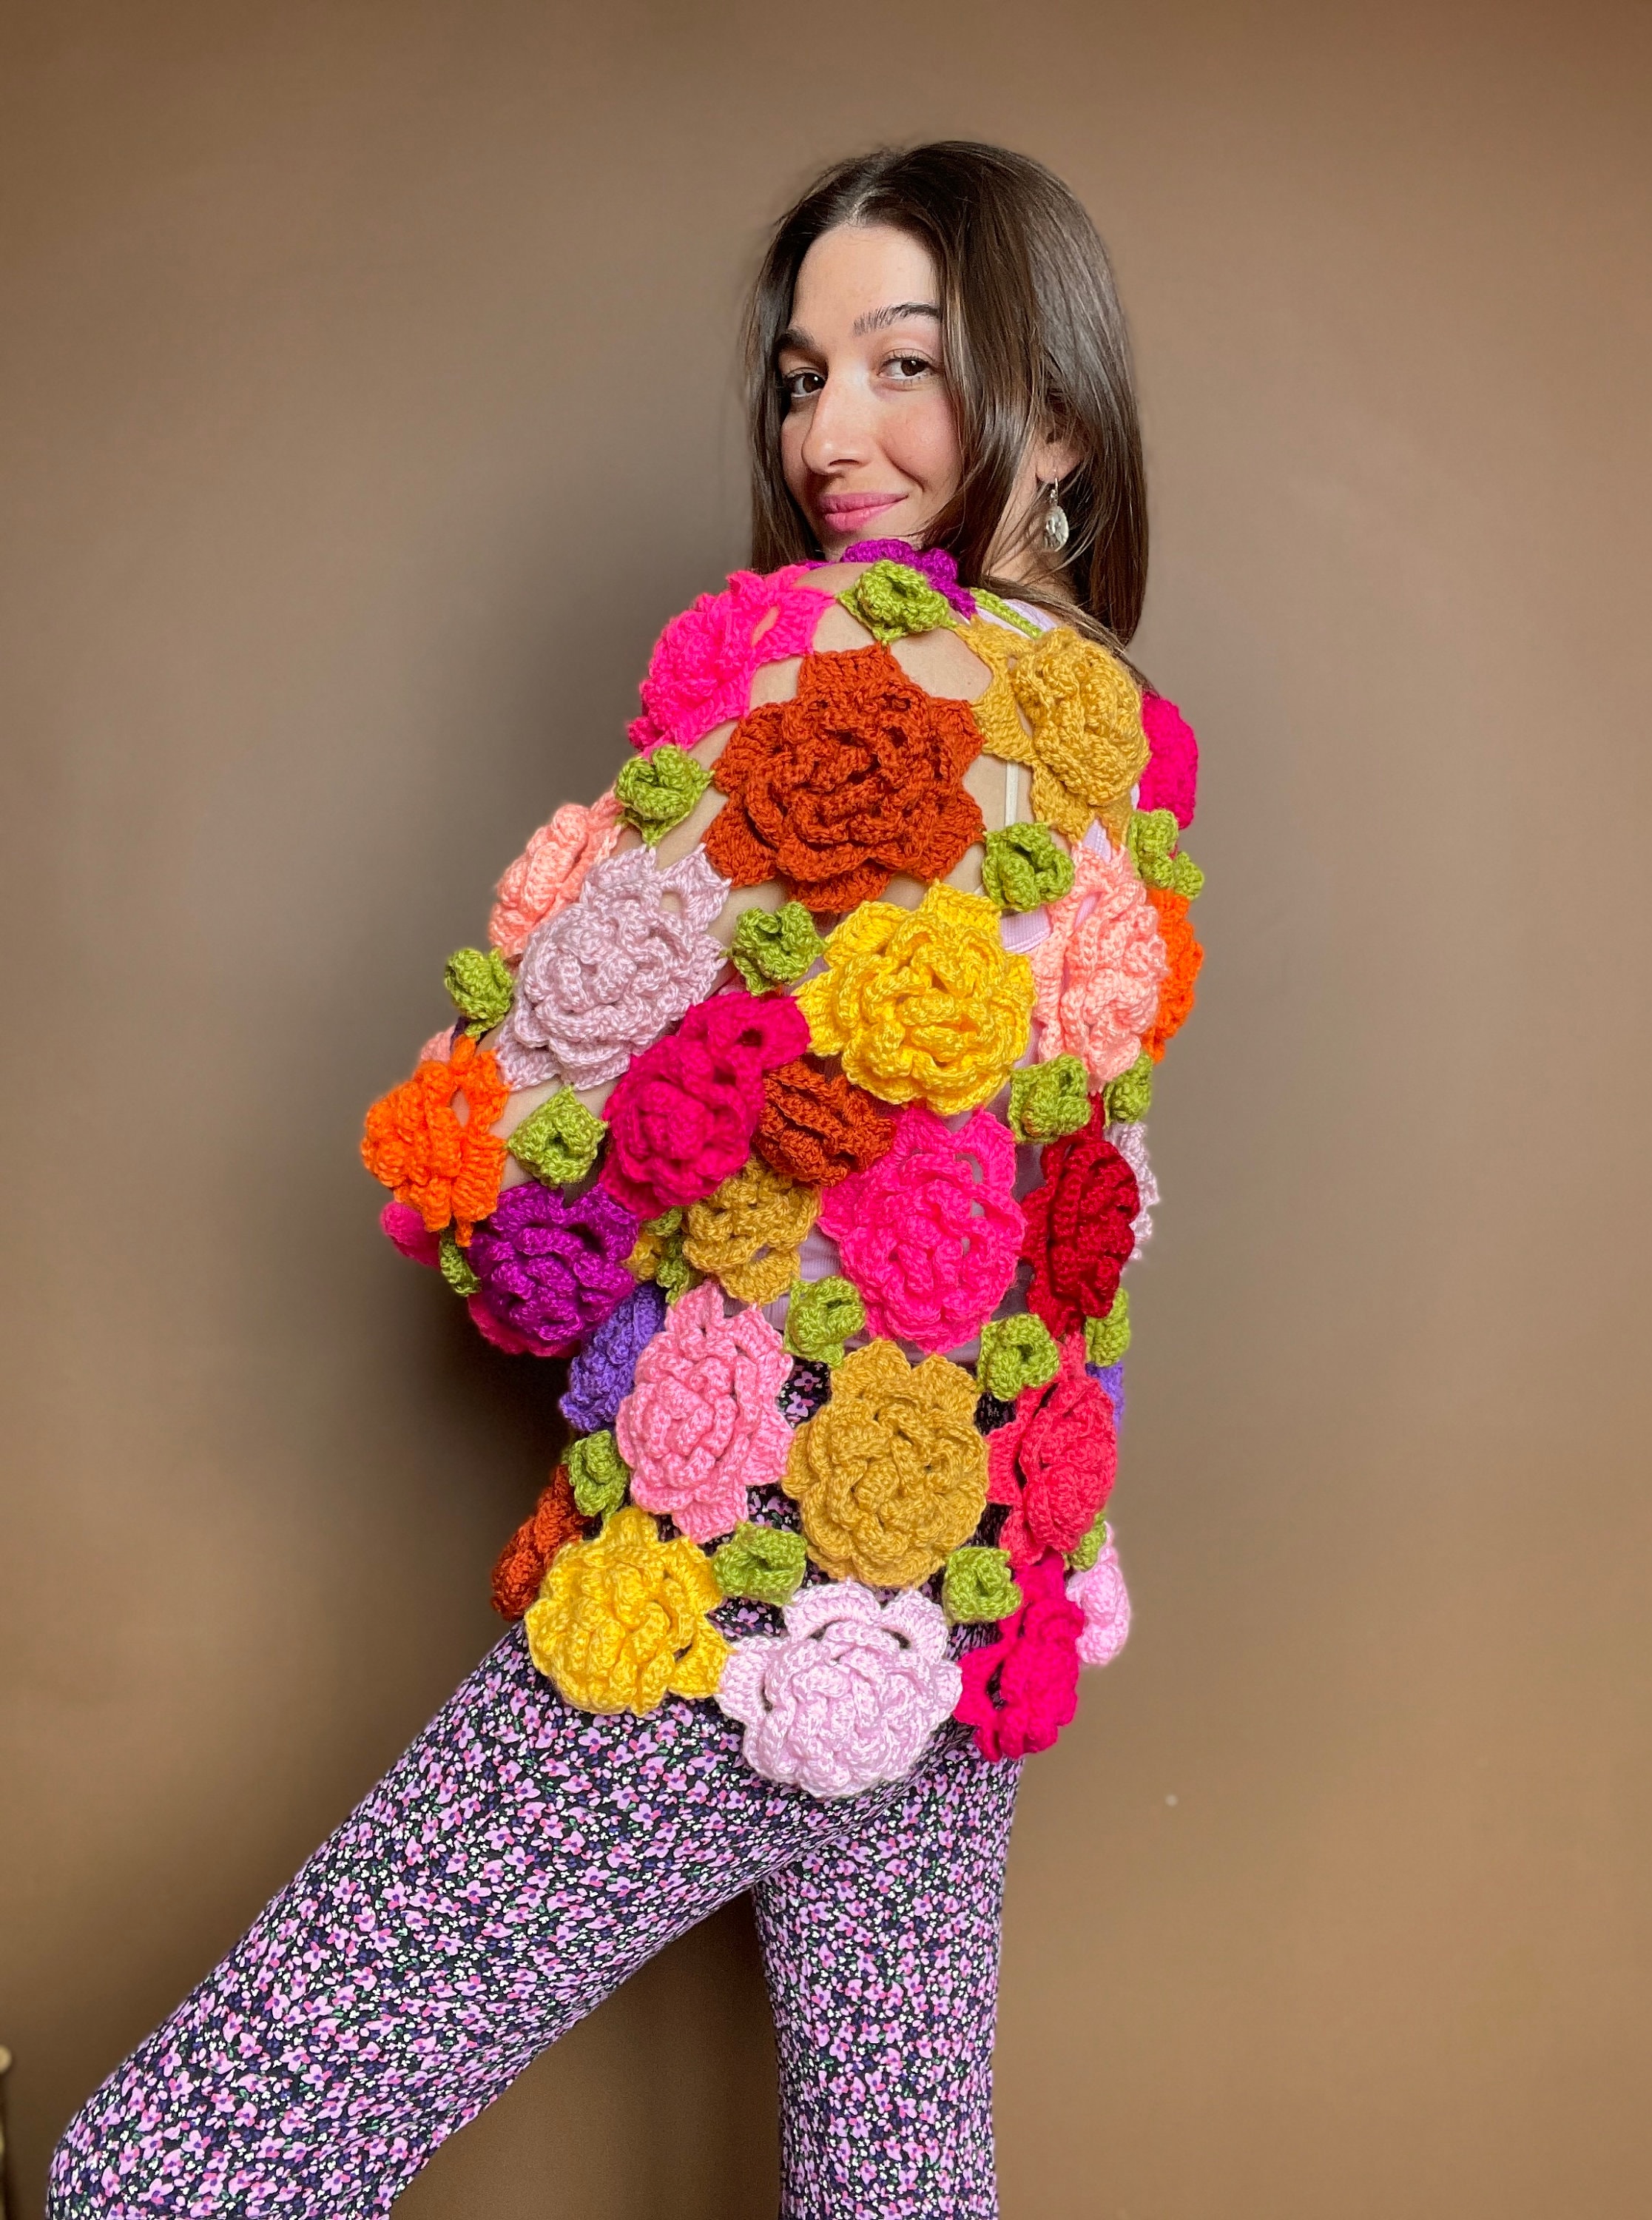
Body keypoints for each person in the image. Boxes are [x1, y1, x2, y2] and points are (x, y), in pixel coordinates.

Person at [49, 139, 1203, 2219]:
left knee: (175, 2167)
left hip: (730, 1589)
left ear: (1055, 409)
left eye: (904, 365)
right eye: (801, 377)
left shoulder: (824, 657)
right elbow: (1071, 1215)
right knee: (898, 2188)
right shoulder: (1121, 739)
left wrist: (521, 1183)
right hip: (967, 1593)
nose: (829, 436)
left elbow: (528, 1099)